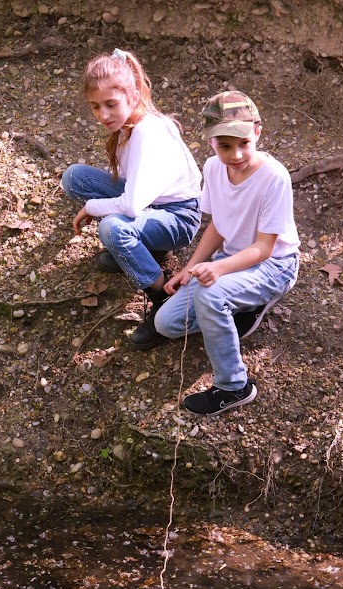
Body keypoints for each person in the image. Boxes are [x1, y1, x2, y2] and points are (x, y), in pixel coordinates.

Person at [152, 90, 300, 416]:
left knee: (210, 296)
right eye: (225, 146)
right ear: (211, 143)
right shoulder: (213, 169)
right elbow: (219, 225)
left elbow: (264, 247)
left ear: (257, 132)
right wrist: (191, 267)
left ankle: (234, 386)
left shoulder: (274, 178)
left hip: (274, 265)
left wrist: (217, 271)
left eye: (243, 143)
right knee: (165, 323)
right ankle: (232, 311)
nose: (235, 155)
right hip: (233, 260)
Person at [61, 48, 202, 349]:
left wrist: (91, 207)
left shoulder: (146, 134)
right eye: (95, 107)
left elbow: (131, 205)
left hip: (178, 217)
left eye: (111, 104)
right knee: (75, 177)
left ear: (133, 97)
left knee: (112, 227)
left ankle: (161, 294)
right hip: (153, 205)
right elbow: (133, 192)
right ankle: (142, 249)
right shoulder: (127, 126)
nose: (103, 115)